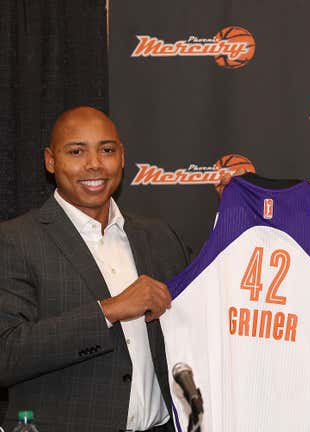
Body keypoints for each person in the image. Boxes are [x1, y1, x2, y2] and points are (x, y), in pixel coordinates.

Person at [0, 106, 189, 432]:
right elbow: (6, 355)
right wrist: (109, 310)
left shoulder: (160, 238)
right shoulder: (15, 240)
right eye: (76, 151)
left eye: (107, 150)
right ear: (50, 160)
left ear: (122, 157)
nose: (94, 164)